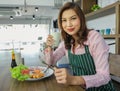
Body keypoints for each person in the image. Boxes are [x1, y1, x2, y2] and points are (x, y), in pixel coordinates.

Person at [44, 2, 116, 91]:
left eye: (73, 18)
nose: (68, 24)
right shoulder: (66, 42)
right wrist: (49, 47)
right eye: (64, 20)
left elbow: (104, 76)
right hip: (79, 88)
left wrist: (73, 79)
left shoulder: (94, 37)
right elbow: (50, 62)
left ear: (81, 19)